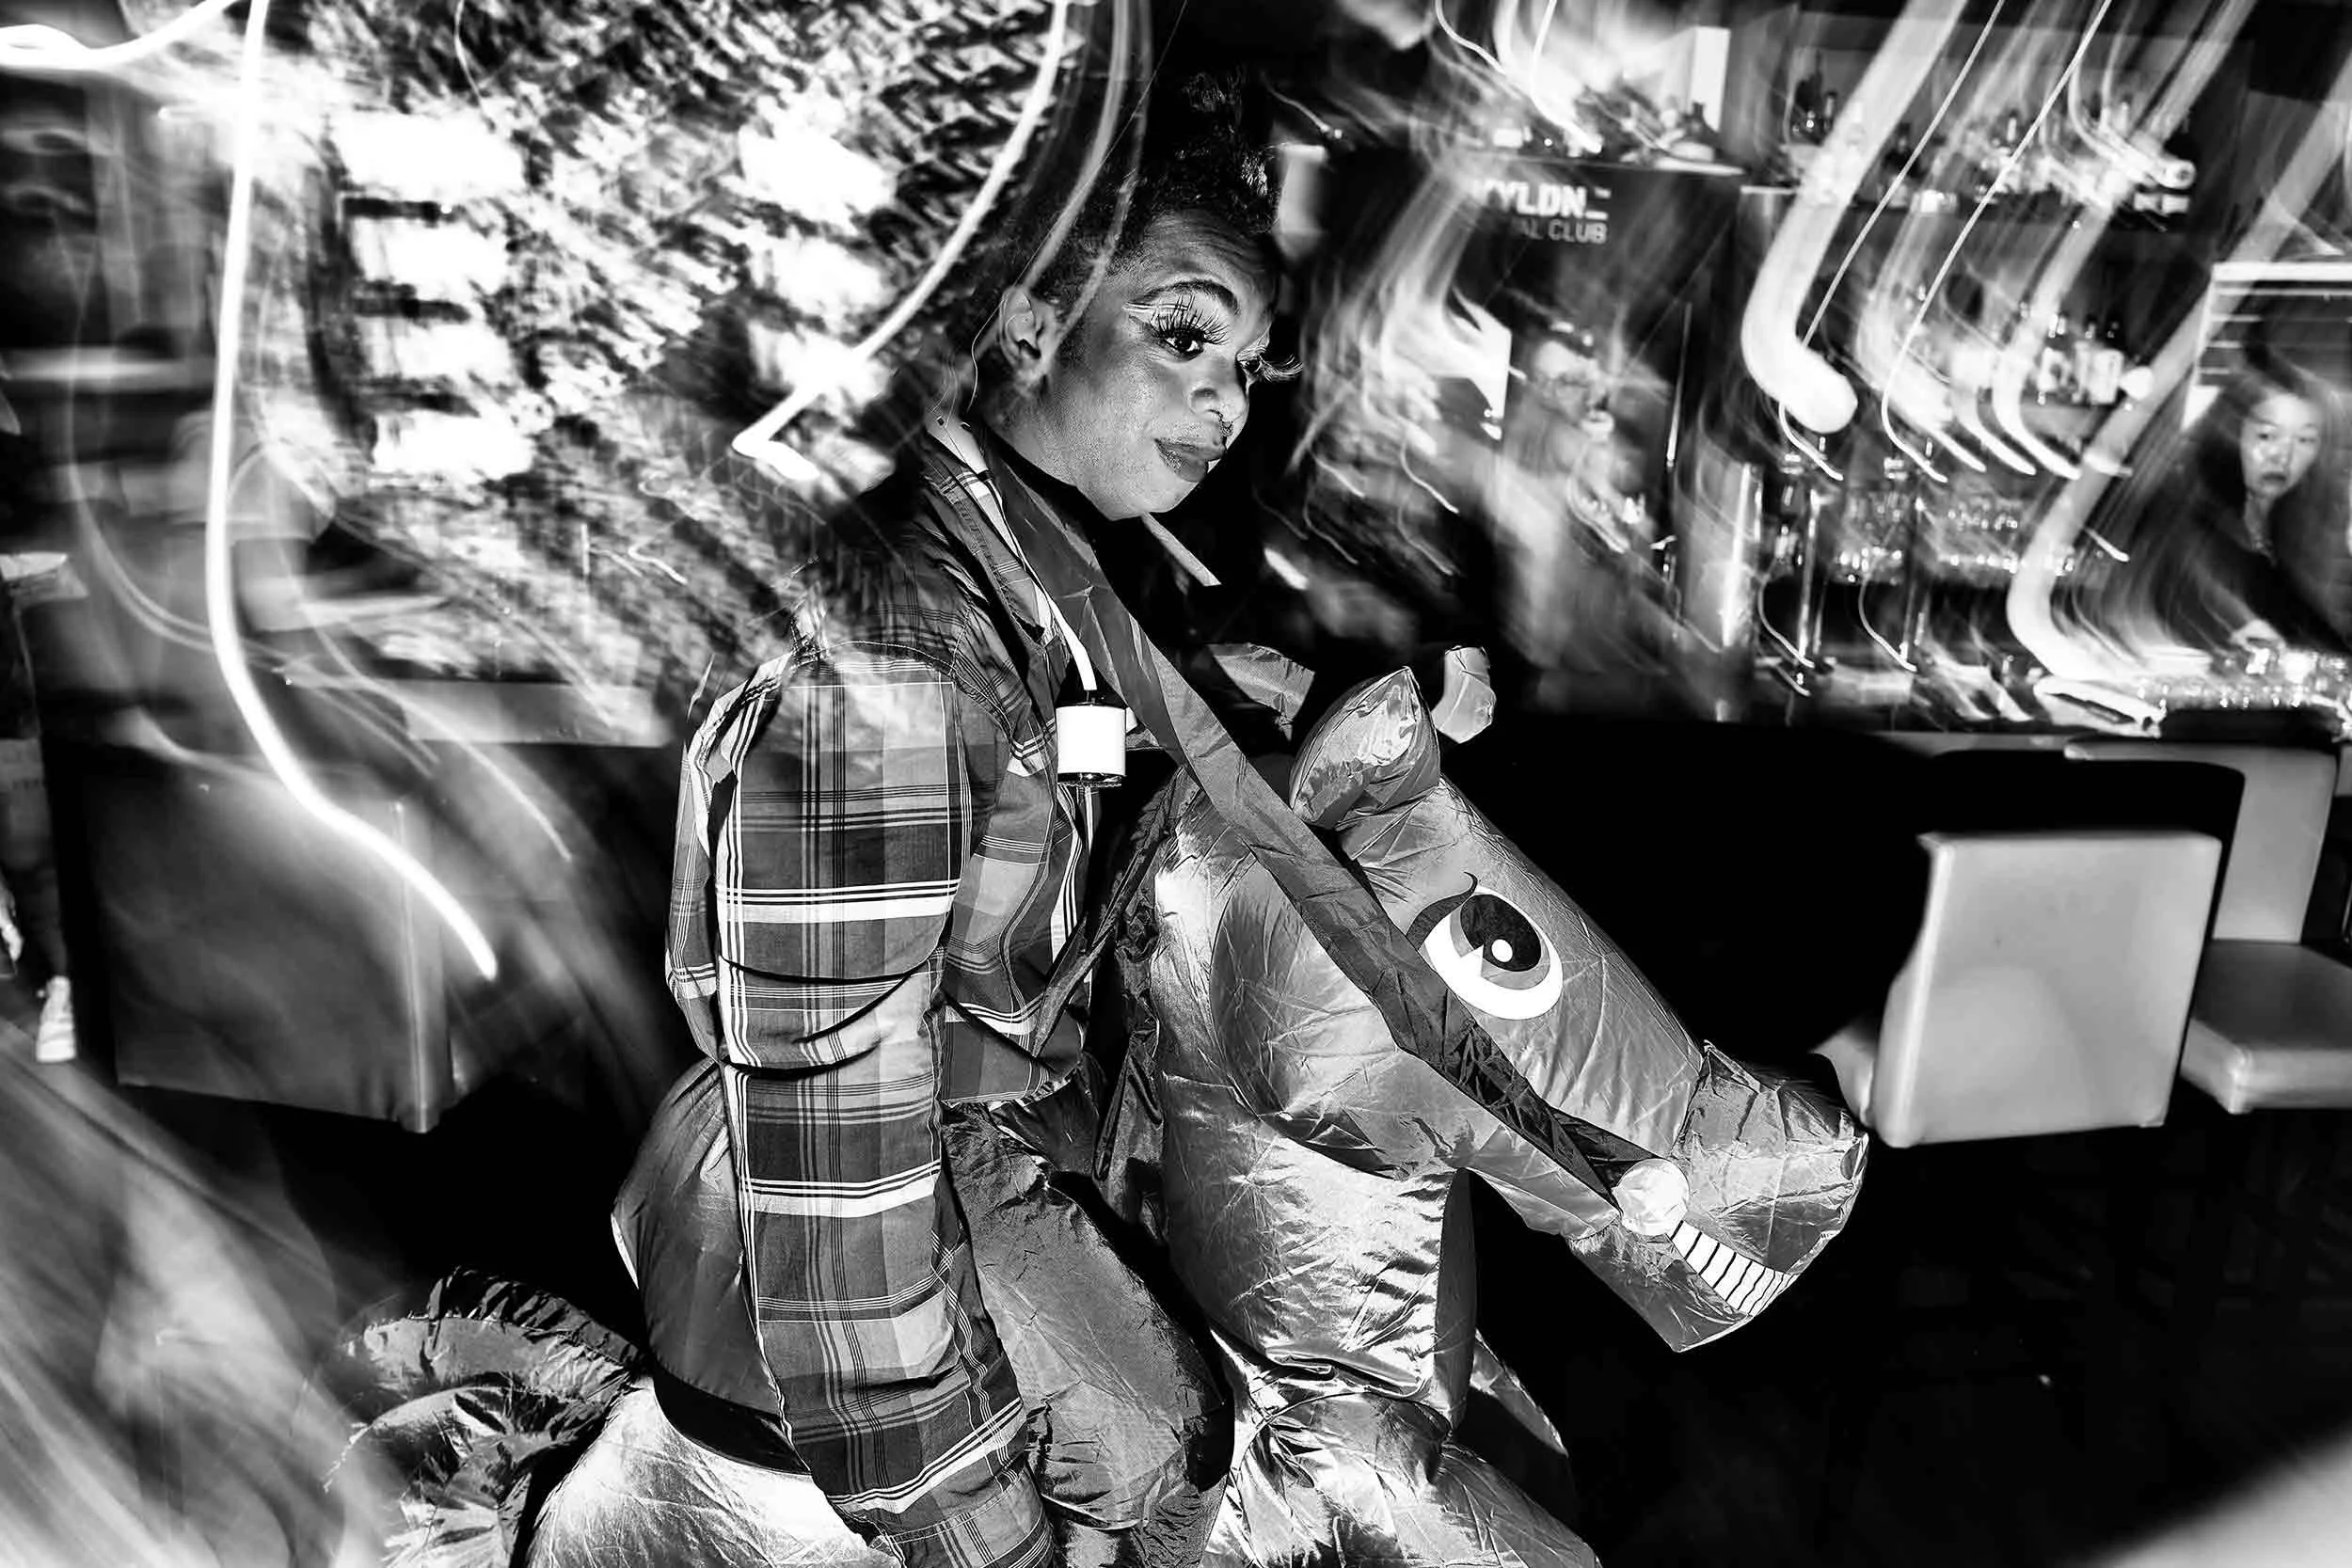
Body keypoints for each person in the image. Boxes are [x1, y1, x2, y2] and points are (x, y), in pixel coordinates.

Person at [620, 82, 1286, 1568]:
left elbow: (1037, 832)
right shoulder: (900, 664)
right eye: (1183, 335)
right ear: (1035, 317)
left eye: (1246, 361)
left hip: (981, 1299)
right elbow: (839, 1194)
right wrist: (987, 1536)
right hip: (842, 1436)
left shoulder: (1029, 573)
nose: (1228, 400)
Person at [2106, 363, 2352, 655]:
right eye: (2266, 435)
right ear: (2232, 434)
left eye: (2305, 440)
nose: (2283, 456)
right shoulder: (2192, 522)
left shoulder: (2299, 527)